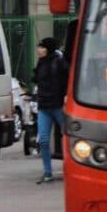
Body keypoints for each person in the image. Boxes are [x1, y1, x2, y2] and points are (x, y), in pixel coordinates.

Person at [33, 37, 69, 184]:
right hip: (44, 107)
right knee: (44, 140)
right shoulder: (41, 63)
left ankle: (70, 168)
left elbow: (68, 79)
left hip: (58, 106)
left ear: (48, 48)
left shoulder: (59, 62)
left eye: (41, 47)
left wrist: (66, 95)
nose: (39, 50)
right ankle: (47, 172)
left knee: (67, 138)